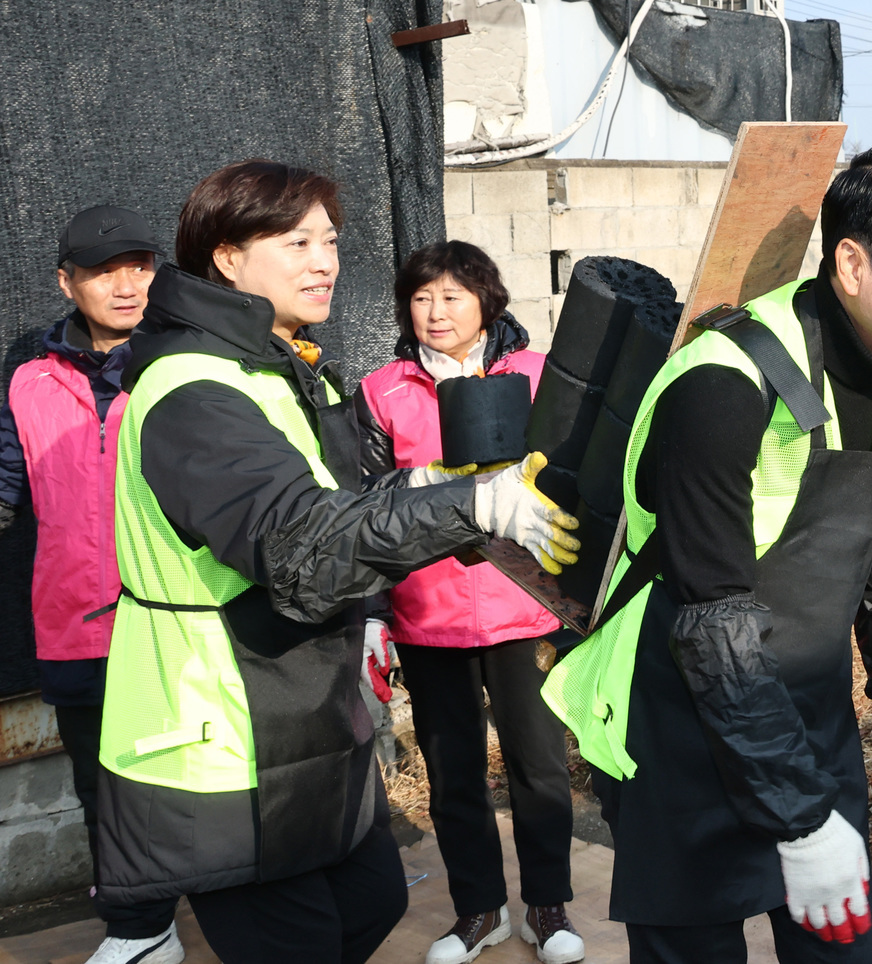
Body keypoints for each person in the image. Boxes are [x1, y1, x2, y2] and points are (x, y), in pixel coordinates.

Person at [94, 160, 578, 964]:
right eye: (297, 241)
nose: (326, 260)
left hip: (299, 712)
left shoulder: (282, 370)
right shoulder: (195, 390)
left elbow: (337, 496)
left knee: (374, 898)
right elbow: (302, 546)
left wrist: (420, 484)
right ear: (226, 256)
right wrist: (469, 507)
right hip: (222, 730)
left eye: (331, 240)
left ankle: (544, 905)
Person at [543, 139, 872, 963]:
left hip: (803, 707)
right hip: (676, 718)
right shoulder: (723, 386)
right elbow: (713, 626)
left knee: (847, 949)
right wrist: (802, 821)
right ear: (854, 264)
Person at [355, 240, 584, 964]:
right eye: (422, 298)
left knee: (539, 766)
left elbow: (580, 480)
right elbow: (360, 508)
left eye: (453, 296)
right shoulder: (383, 391)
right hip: (430, 614)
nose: (436, 312)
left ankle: (547, 908)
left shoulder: (535, 375)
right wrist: (371, 611)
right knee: (453, 773)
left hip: (525, 608)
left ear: (488, 301)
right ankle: (478, 910)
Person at [0, 206, 186, 964]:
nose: (126, 283)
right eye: (105, 269)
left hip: (174, 618)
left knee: (182, 775)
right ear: (66, 282)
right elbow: (6, 484)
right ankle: (140, 927)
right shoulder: (27, 380)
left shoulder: (184, 364)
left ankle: (187, 913)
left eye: (140, 265)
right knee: (98, 782)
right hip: (73, 618)